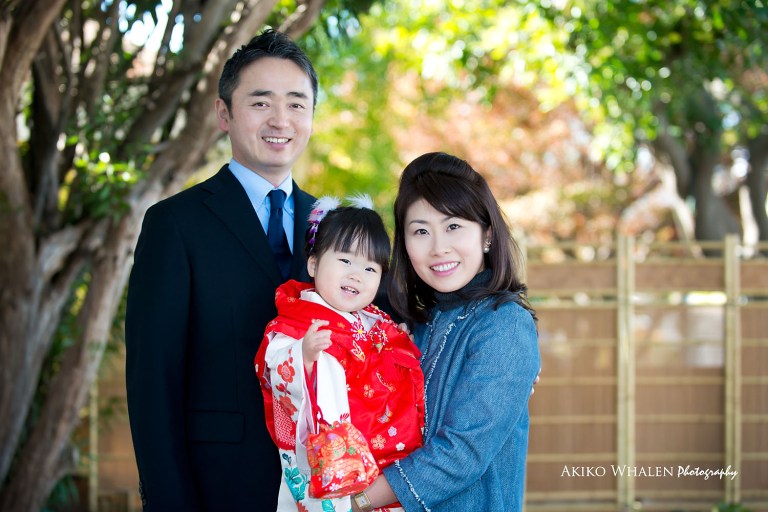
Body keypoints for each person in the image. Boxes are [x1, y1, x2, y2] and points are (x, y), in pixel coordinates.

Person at [125, 29, 319, 510]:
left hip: (322, 488)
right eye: (261, 103)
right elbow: (153, 383)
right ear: (223, 114)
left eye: (297, 103)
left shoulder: (332, 226)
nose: (281, 119)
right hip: (218, 488)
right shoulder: (176, 224)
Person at [350, 152, 541, 512]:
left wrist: (352, 502)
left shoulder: (505, 324)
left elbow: (461, 453)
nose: (438, 248)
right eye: (421, 231)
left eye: (453, 226)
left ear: (486, 234)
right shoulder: (420, 324)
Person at [255, 195, 425, 511]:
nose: (356, 274)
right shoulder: (297, 319)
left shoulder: (376, 320)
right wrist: (302, 355)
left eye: (370, 267)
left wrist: (399, 346)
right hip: (334, 464)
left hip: (389, 461)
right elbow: (274, 366)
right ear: (314, 263)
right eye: (345, 261)